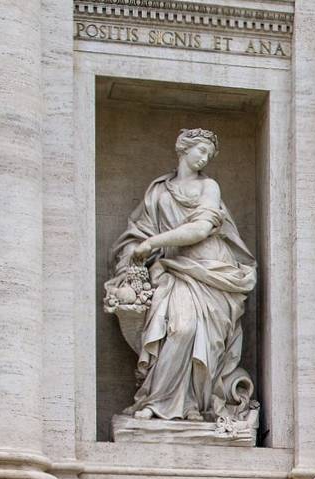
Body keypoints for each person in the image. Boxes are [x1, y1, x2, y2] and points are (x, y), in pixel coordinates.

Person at [109, 128, 258, 424]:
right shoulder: (158, 192)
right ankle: (158, 401)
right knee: (180, 329)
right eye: (200, 150)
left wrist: (153, 243)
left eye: (209, 154)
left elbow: (201, 229)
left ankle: (195, 403)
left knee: (204, 338)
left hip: (211, 271)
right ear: (183, 149)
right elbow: (137, 233)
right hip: (174, 269)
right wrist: (135, 252)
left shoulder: (209, 187)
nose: (204, 157)